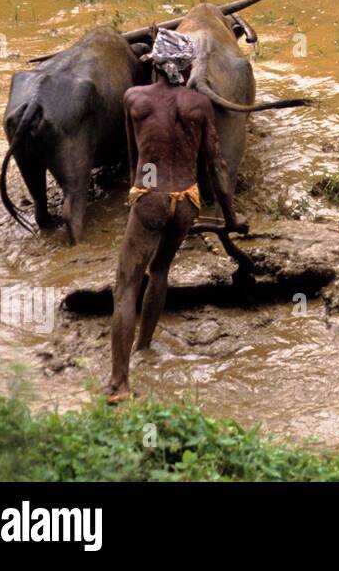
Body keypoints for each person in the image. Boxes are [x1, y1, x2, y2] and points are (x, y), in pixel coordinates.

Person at [106, 30, 245, 403]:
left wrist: (136, 199)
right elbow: (214, 162)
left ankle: (119, 384)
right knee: (160, 271)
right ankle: (144, 348)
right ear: (186, 69)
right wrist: (231, 216)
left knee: (125, 287)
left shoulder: (134, 98)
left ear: (154, 65)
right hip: (186, 200)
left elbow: (135, 157)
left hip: (149, 198)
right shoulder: (198, 105)